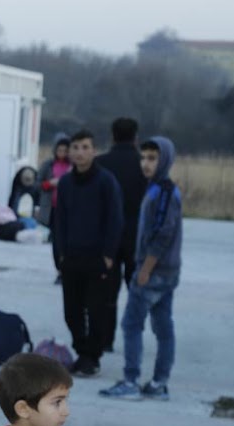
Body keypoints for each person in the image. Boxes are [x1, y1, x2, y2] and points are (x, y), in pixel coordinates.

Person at [99, 137, 183, 401]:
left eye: (152, 159)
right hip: (166, 271)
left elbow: (163, 234)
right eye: (143, 158)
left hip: (154, 271)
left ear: (165, 160)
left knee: (131, 324)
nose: (146, 163)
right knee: (163, 326)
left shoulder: (164, 192)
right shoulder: (156, 188)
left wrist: (145, 269)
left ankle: (131, 381)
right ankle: (159, 383)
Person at [51, 130, 123, 377]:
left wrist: (108, 255)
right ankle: (81, 350)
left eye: (85, 147)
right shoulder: (66, 183)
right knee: (72, 311)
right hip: (71, 257)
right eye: (75, 147)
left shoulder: (106, 181)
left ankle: (92, 356)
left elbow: (115, 219)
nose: (80, 152)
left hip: (97, 258)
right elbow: (59, 221)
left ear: (94, 151)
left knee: (96, 310)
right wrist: (59, 254)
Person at [95, 117, 147, 353]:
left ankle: (105, 339)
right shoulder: (144, 165)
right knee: (136, 291)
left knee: (107, 291)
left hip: (107, 237)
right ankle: (133, 337)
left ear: (112, 136)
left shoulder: (100, 164)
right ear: (136, 137)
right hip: (137, 236)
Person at [35, 133, 71, 228]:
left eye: (65, 151)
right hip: (49, 208)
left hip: (66, 207)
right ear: (55, 150)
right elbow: (37, 184)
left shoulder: (72, 166)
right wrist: (49, 183)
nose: (62, 153)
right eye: (60, 150)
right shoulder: (47, 165)